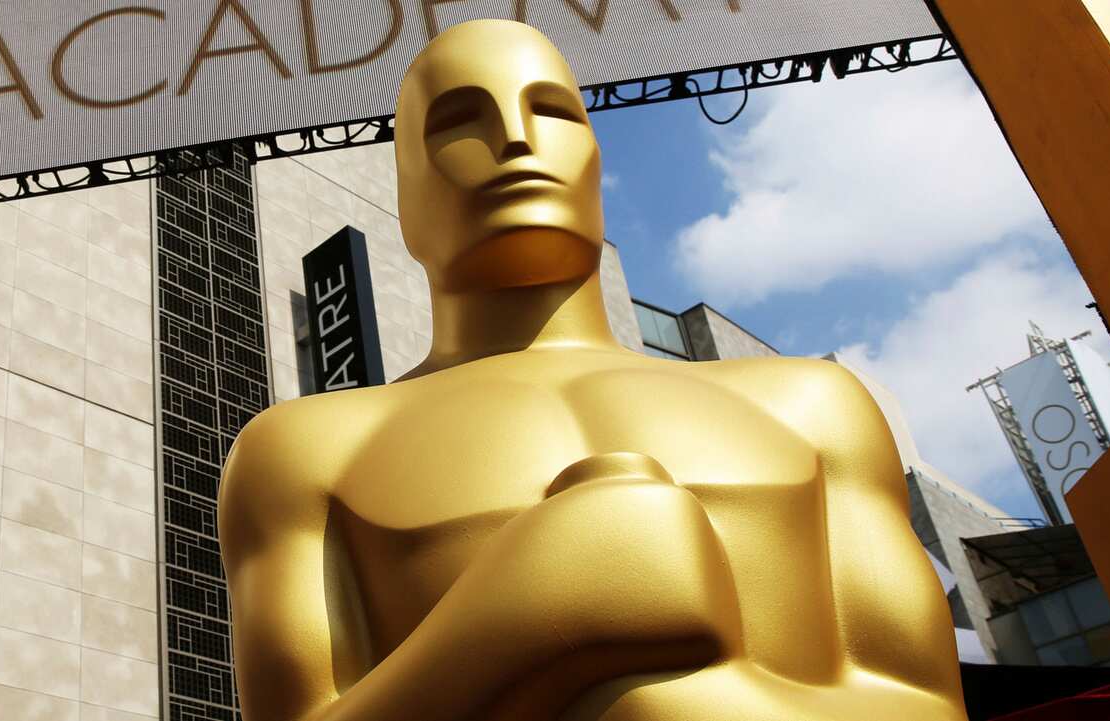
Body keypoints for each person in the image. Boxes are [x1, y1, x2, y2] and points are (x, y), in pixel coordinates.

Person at [219, 19, 968, 721]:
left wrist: (698, 704)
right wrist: (521, 617)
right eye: (458, 122)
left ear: (596, 162)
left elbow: (924, 699)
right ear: (405, 196)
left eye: (552, 111)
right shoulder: (305, 451)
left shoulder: (810, 407)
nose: (516, 139)